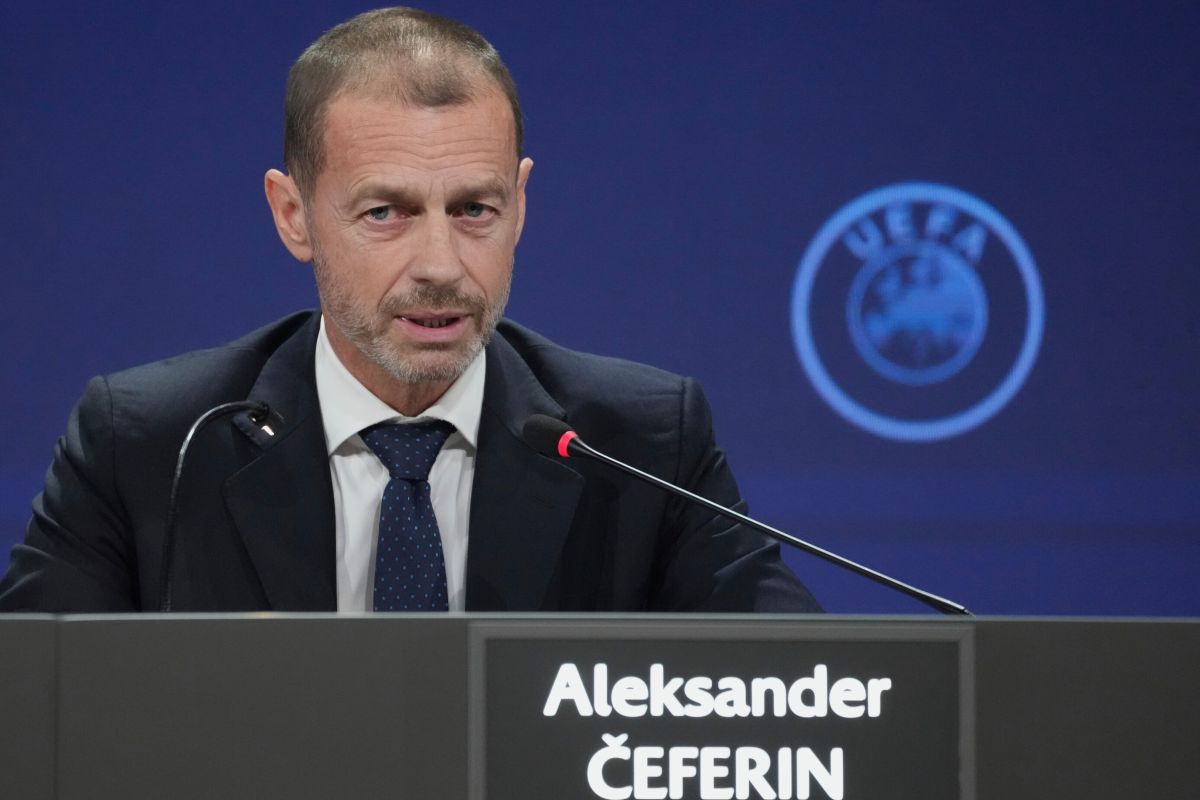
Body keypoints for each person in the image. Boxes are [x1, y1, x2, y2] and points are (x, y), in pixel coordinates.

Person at [0, 7, 819, 614]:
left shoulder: (640, 442)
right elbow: (32, 710)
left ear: (522, 207)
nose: (439, 266)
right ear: (294, 216)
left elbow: (807, 695)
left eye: (474, 209)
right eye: (384, 213)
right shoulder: (148, 444)